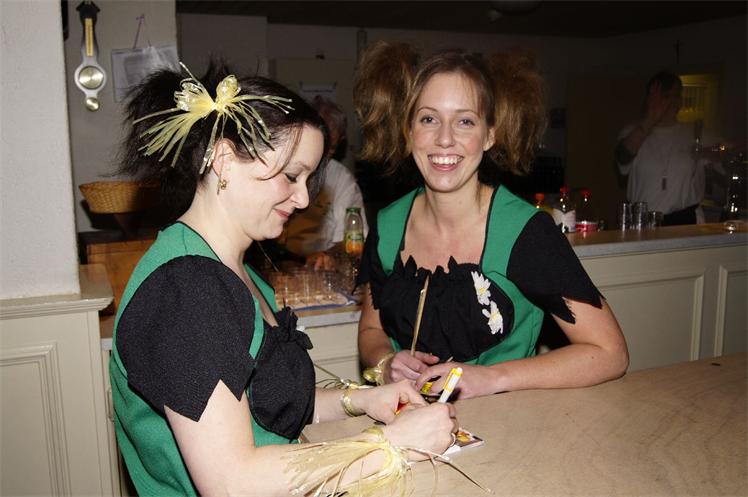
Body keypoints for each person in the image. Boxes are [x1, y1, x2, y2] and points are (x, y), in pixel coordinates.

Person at [110, 63, 457, 497]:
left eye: (309, 179)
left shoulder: (236, 272)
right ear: (223, 160)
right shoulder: (187, 290)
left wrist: (361, 400)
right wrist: (392, 443)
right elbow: (231, 482)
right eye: (291, 176)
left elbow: (269, 404)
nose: (304, 198)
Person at [354, 42, 629, 399]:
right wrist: (386, 362)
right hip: (408, 422)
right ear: (408, 131)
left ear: (489, 135)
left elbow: (610, 353)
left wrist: (493, 378)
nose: (445, 139)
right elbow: (371, 331)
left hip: (506, 422)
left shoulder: (524, 232)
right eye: (428, 119)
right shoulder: (389, 225)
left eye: (465, 121)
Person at [282, 96, 368, 270]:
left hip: (319, 268)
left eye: (330, 149)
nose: (321, 157)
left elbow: (353, 240)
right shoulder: (279, 167)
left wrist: (326, 256)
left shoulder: (342, 179)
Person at [615, 71, 703, 225]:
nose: (671, 102)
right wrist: (650, 119)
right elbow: (622, 158)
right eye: (666, 96)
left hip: (685, 223)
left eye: (676, 96)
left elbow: (730, 153)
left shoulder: (695, 133)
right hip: (642, 223)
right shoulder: (633, 133)